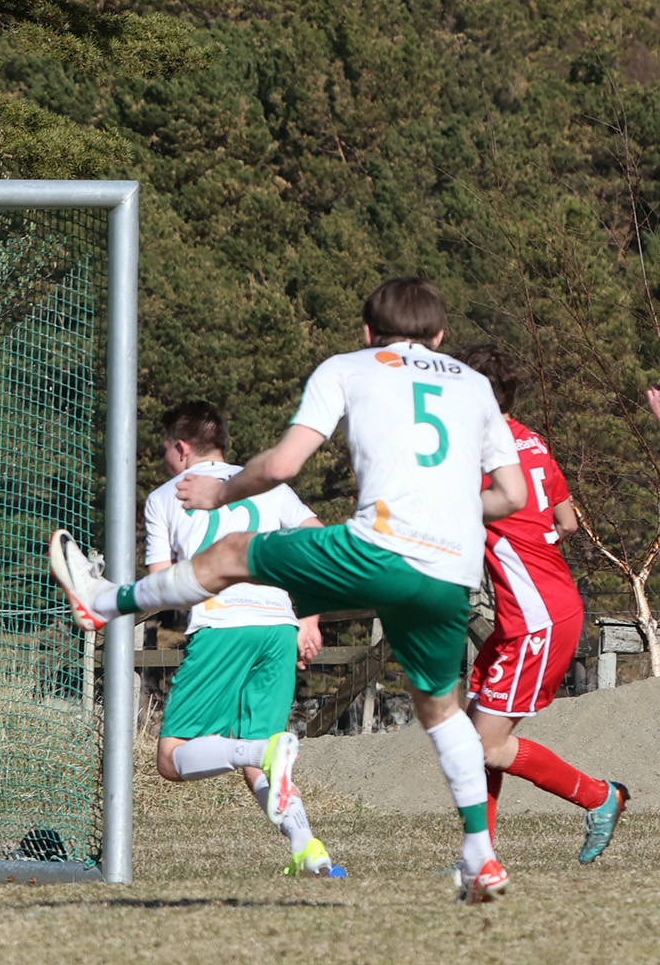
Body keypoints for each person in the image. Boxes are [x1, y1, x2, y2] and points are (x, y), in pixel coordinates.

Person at [51, 277, 527, 904]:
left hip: (376, 548)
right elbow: (511, 496)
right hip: (449, 571)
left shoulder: (347, 367)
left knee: (231, 554)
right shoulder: (474, 386)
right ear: (440, 337)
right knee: (440, 710)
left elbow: (281, 466)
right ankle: (480, 854)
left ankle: (105, 601)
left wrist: (221, 493)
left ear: (366, 332)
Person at [143, 402, 340, 877]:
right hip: (277, 626)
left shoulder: (165, 495)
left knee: (171, 759)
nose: (167, 460)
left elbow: (161, 583)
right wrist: (308, 619)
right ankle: (309, 851)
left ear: (182, 448)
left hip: (222, 625)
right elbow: (318, 542)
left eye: (166, 449)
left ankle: (261, 751)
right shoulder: (265, 483)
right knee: (259, 750)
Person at [450, 344, 626, 861]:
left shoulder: (478, 457)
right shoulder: (531, 441)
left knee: (483, 745)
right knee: (473, 731)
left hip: (537, 618)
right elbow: (567, 521)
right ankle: (479, 855)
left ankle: (600, 797)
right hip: (542, 606)